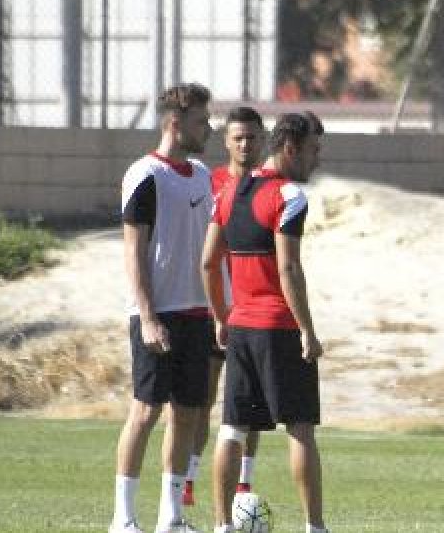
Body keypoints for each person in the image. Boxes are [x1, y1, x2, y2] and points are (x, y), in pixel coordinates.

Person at [201, 112, 329, 533]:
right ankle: (314, 527)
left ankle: (221, 526)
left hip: (240, 327)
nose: (315, 159)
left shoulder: (230, 190)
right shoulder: (289, 195)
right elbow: (289, 268)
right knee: (300, 428)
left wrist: (222, 316)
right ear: (290, 147)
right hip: (279, 326)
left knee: (232, 428)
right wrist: (307, 330)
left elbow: (208, 261)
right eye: (312, 150)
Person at [110, 84, 214, 533]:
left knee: (188, 413)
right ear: (176, 122)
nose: (208, 129)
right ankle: (123, 518)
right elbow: (134, 251)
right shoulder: (145, 175)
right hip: (157, 314)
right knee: (145, 411)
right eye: (201, 121)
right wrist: (148, 316)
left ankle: (170, 518)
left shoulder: (202, 173)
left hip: (197, 313)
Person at [184, 106, 266, 508]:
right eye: (238, 137)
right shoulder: (210, 183)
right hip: (214, 305)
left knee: (248, 399)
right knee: (203, 397)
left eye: (251, 137)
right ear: (226, 141)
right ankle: (189, 478)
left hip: (254, 308)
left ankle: (244, 485)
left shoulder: (272, 186)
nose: (245, 144)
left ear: (263, 139)